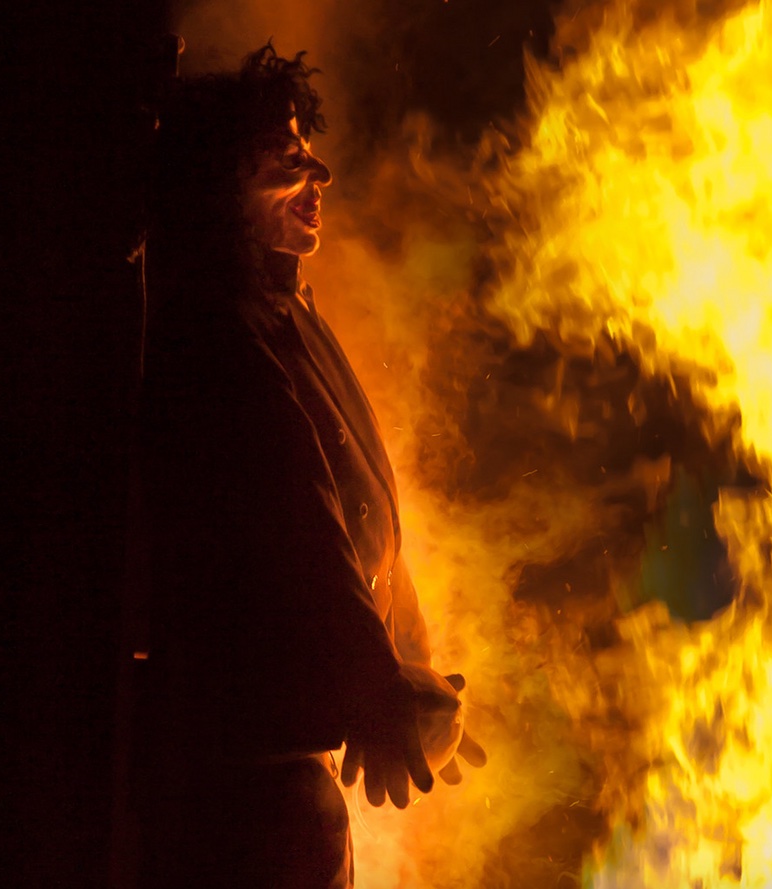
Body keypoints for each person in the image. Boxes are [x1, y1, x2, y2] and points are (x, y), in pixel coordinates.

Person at [137, 43, 484, 888]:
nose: (319, 172)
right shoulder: (220, 335)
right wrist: (375, 689)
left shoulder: (286, 313)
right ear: (220, 191)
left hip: (297, 775)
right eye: (288, 163)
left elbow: (368, 520)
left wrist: (405, 671)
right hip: (246, 786)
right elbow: (299, 524)